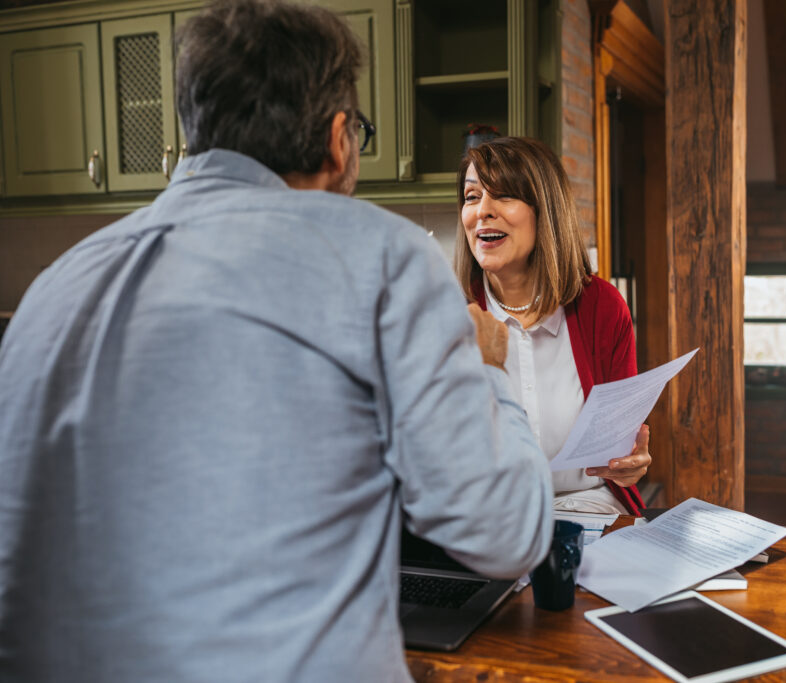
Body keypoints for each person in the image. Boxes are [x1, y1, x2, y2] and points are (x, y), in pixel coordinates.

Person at [0, 1, 553, 681]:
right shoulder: (386, 258)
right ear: (339, 137)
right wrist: (490, 370)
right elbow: (508, 533)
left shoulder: (52, 291)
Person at [454, 136, 651, 515]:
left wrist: (632, 462)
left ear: (544, 211)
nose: (482, 211)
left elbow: (624, 446)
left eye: (505, 196)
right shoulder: (444, 316)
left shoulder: (602, 308)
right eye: (472, 196)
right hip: (489, 517)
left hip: (590, 509)